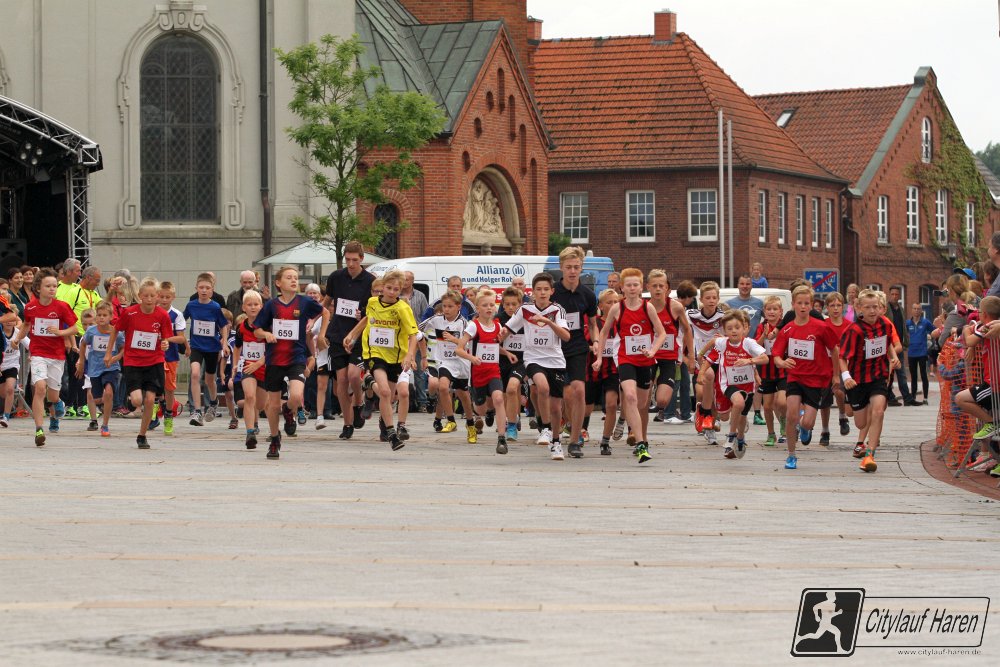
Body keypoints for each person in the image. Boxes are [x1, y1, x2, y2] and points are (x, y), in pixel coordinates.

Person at [592, 268, 667, 464]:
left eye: (635, 285)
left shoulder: (648, 308)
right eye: (628, 285)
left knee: (641, 404)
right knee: (630, 396)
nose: (632, 288)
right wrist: (599, 358)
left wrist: (653, 350)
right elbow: (603, 332)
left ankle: (627, 421)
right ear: (622, 288)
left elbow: (661, 333)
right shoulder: (618, 309)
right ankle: (641, 445)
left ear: (641, 288)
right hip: (625, 358)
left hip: (645, 360)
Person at [254, 266, 328, 458]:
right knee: (273, 405)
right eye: (289, 277)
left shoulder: (304, 302)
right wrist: (266, 334)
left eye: (296, 277)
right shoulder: (271, 305)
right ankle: (274, 439)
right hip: (274, 359)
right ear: (278, 283)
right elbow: (257, 330)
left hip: (297, 357)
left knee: (295, 396)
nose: (294, 280)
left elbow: (325, 312)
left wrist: (321, 335)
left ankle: (289, 411)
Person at [343, 269, 416, 452]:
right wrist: (352, 335)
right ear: (382, 287)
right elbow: (367, 319)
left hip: (395, 357)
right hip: (374, 352)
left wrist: (409, 355)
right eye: (389, 288)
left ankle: (368, 382)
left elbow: (413, 335)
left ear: (401, 290)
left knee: (388, 397)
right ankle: (391, 434)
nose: (392, 292)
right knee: (384, 391)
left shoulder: (403, 309)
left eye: (396, 289)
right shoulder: (372, 302)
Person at [500, 272, 571, 460]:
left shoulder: (557, 310)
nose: (542, 292)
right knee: (542, 387)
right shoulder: (525, 309)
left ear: (552, 291)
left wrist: (548, 322)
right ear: (533, 291)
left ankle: (556, 442)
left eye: (546, 289)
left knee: (556, 407)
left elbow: (566, 336)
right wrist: (498, 335)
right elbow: (508, 328)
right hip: (533, 358)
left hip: (555, 360)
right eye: (539, 289)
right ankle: (545, 428)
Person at [772, 285, 840, 470]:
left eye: (806, 303)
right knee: (791, 415)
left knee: (808, 423)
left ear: (811, 305)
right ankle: (791, 455)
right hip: (795, 377)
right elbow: (776, 355)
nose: (803, 307)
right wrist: (782, 362)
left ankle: (804, 426)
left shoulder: (821, 327)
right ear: (793, 304)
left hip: (816, 380)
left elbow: (834, 349)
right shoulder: (787, 329)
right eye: (799, 303)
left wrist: (835, 375)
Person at [106, 277, 178, 449]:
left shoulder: (162, 315)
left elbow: (166, 338)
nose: (149, 299)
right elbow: (115, 329)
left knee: (150, 400)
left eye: (153, 296)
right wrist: (109, 352)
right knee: (138, 400)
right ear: (139, 296)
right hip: (133, 361)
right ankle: (131, 401)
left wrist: (165, 343)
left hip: (154, 361)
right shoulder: (130, 313)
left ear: (157, 296)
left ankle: (142, 435)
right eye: (146, 296)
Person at [838, 289, 900, 472]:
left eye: (875, 307)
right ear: (859, 308)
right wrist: (846, 377)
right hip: (857, 380)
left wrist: (893, 357)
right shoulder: (854, 330)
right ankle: (864, 443)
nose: (872, 311)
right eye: (868, 307)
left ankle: (869, 455)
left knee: (879, 411)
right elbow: (842, 357)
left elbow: (888, 343)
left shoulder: (885, 324)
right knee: (861, 423)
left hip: (878, 376)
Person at [14, 268, 78, 446]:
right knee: (40, 388)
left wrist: (60, 332)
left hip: (57, 355)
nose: (52, 289)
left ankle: (57, 406)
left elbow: (75, 328)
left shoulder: (61, 307)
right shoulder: (30, 307)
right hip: (38, 353)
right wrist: (17, 339)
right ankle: (39, 429)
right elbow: (26, 325)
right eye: (48, 286)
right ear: (38, 288)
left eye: (54, 286)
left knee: (53, 395)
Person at [322, 241, 375, 440]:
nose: (351, 264)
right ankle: (347, 423)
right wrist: (315, 320)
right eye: (348, 260)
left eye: (354, 260)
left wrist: (362, 316)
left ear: (361, 259)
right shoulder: (336, 277)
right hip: (337, 333)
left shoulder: (370, 281)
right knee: (341, 382)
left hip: (360, 335)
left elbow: (373, 310)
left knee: (354, 375)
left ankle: (359, 402)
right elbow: (326, 302)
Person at [550, 246, 599, 457]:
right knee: (566, 394)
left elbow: (593, 324)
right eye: (568, 267)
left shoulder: (587, 294)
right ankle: (568, 423)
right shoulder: (552, 292)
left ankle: (575, 440)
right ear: (561, 267)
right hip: (555, 347)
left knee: (579, 390)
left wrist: (595, 341)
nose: (572, 271)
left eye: (576, 267)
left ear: (581, 268)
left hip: (577, 346)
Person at [454, 290, 510, 454]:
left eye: (492, 305)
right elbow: (459, 349)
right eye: (485, 305)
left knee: (498, 398)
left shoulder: (498, 326)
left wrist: (507, 353)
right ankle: (486, 412)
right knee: (480, 409)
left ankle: (502, 439)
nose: (489, 308)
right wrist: (471, 358)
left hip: (493, 371)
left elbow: (494, 347)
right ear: (477, 308)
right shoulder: (474, 326)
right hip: (477, 374)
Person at [709, 310, 767, 459]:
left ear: (744, 328)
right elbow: (712, 344)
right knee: (738, 403)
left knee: (742, 415)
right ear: (724, 330)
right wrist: (700, 356)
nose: (734, 331)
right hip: (728, 383)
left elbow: (765, 358)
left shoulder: (749, 343)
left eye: (737, 327)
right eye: (730, 328)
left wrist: (750, 361)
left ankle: (740, 438)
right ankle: (731, 435)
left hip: (747, 386)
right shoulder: (722, 342)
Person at [420, 291, 475, 441]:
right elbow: (417, 329)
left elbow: (468, 345)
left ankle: (471, 424)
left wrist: (454, 339)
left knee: (463, 395)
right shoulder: (436, 320)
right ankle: (451, 420)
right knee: (443, 387)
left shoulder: (464, 323)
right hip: (444, 361)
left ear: (458, 307)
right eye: (444, 306)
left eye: (450, 306)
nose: (446, 309)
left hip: (461, 362)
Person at [956, 296, 1000, 478]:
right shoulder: (990, 324)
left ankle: (992, 423)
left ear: (985, 314)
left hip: (995, 384)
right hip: (991, 381)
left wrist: (967, 329)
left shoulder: (989, 326)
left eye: (980, 312)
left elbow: (970, 340)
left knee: (960, 398)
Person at [648, 270, 695, 429]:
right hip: (649, 356)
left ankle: (665, 409)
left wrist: (691, 356)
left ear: (667, 288)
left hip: (670, 356)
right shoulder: (644, 307)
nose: (658, 289)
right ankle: (635, 429)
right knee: (643, 397)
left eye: (661, 286)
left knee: (662, 399)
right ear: (648, 287)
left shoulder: (675, 307)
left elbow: (687, 330)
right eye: (654, 286)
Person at [183, 273, 231, 425]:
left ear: (212, 290)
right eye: (201, 287)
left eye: (207, 288)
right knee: (195, 374)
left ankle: (213, 402)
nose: (204, 290)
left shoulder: (215, 307)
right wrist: (182, 341)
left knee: (210, 379)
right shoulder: (191, 305)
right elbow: (181, 321)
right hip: (196, 346)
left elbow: (223, 326)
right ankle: (197, 411)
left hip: (212, 347)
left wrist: (224, 343)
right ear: (196, 288)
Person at [76, 300, 125, 437]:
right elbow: (83, 344)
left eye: (104, 315)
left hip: (111, 367)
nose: (101, 318)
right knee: (97, 399)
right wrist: (81, 361)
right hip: (94, 368)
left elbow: (123, 348)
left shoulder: (116, 333)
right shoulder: (91, 331)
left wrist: (116, 357)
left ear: (111, 317)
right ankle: (104, 401)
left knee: (108, 392)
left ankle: (105, 425)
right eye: (99, 315)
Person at [689, 281, 725, 443]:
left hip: (719, 358)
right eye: (708, 298)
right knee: (705, 390)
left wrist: (723, 337)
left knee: (716, 395)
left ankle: (709, 421)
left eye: (714, 298)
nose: (711, 301)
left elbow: (734, 331)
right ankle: (706, 419)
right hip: (701, 359)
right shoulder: (691, 315)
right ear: (701, 299)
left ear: (718, 299)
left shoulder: (723, 317)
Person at [587, 289, 620, 456]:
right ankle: (581, 429)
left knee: (611, 404)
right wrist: (593, 347)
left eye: (616, 302)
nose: (613, 305)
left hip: (614, 370)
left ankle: (605, 441)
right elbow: (584, 342)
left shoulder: (622, 322)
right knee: (586, 406)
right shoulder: (594, 324)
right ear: (600, 305)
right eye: (609, 302)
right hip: (593, 369)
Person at [233, 290, 266, 448]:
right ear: (244, 308)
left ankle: (257, 421)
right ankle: (250, 433)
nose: (253, 307)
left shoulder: (267, 325)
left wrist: (258, 363)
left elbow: (273, 350)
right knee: (249, 396)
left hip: (265, 368)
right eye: (249, 304)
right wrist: (235, 364)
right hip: (247, 368)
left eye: (256, 304)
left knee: (261, 404)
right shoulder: (241, 327)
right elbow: (237, 347)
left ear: (261, 306)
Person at [755, 295, 786, 447]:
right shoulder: (761, 326)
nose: (772, 312)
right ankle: (771, 433)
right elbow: (755, 346)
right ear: (764, 311)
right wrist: (764, 336)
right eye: (769, 309)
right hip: (766, 371)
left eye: (775, 309)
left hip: (782, 370)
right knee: (767, 406)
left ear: (781, 311)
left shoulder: (785, 326)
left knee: (781, 402)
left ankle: (784, 423)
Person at [156, 281, 185, 437]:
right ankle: (154, 410)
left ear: (173, 297)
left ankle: (168, 413)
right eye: (161, 296)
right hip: (153, 355)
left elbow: (181, 338)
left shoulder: (177, 314)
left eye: (167, 297)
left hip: (170, 355)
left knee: (169, 387)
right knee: (153, 384)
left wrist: (167, 339)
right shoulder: (152, 312)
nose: (164, 300)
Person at [498, 287, 526, 442]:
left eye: (514, 304)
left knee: (512, 388)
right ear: (502, 304)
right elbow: (492, 343)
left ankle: (512, 426)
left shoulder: (526, 319)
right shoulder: (498, 319)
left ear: (520, 304)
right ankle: (509, 417)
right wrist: (506, 352)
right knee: (504, 394)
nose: (510, 307)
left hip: (521, 361)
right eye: (507, 304)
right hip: (502, 361)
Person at [401, 271, 430, 412]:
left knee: (419, 371)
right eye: (403, 279)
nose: (405, 282)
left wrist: (420, 331)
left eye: (407, 279)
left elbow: (426, 315)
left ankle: (422, 402)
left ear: (412, 281)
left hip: (416, 336)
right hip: (401, 337)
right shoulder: (397, 295)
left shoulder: (420, 296)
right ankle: (399, 400)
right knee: (401, 370)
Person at [885, 286, 916, 406]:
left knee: (901, 373)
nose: (894, 296)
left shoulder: (901, 309)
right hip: (889, 346)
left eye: (896, 294)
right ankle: (890, 397)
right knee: (889, 373)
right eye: (892, 294)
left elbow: (903, 326)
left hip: (899, 345)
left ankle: (907, 398)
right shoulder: (886, 308)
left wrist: (905, 342)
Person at [906, 302, 935, 403]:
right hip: (911, 353)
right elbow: (903, 335)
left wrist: (930, 337)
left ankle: (925, 398)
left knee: (923, 375)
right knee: (913, 377)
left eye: (918, 309)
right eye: (914, 308)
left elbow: (934, 331)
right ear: (912, 310)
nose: (916, 311)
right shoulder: (907, 323)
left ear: (921, 310)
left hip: (922, 352)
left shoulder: (925, 322)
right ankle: (913, 397)